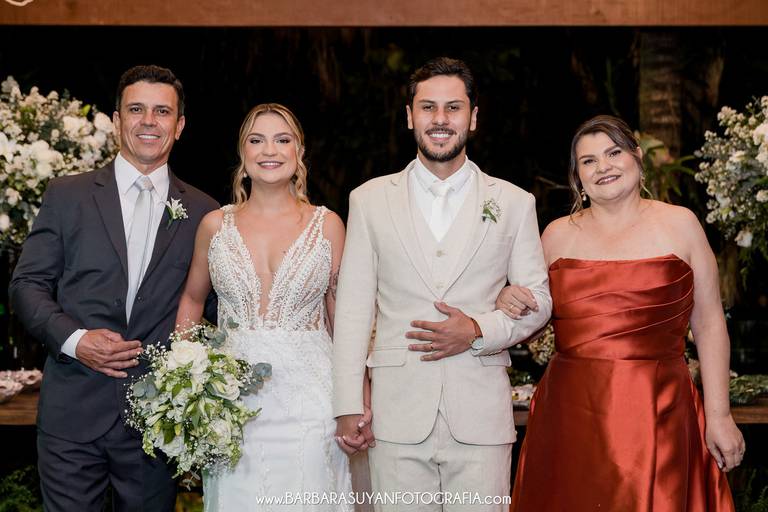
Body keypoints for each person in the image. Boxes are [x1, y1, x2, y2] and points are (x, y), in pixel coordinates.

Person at [332, 57, 552, 511]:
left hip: (480, 414)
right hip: (396, 413)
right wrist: (348, 403)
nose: (440, 119)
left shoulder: (514, 202)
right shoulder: (369, 200)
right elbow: (353, 309)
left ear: (473, 117)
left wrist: (477, 328)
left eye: (453, 108)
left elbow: (540, 301)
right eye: (428, 107)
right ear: (409, 116)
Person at [500, 115, 744, 511]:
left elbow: (710, 324)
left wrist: (719, 416)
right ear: (578, 177)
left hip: (660, 407)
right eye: (589, 161)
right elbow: (529, 322)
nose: (603, 167)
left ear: (637, 157)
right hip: (570, 411)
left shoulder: (682, 224)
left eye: (613, 153)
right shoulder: (555, 234)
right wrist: (508, 299)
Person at [9, 65, 218, 511]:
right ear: (117, 120)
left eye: (162, 111)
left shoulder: (205, 212)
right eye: (137, 109)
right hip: (72, 413)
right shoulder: (66, 195)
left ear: (180, 125)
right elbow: (27, 285)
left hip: (156, 422)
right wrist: (76, 340)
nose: (149, 121)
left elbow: (217, 306)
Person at [175, 103, 355, 510]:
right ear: (243, 153)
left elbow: (341, 317)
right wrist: (184, 377)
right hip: (230, 404)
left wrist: (356, 397)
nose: (269, 150)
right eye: (256, 140)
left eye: (282, 139)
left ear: (299, 152)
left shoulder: (328, 225)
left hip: (312, 403)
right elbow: (192, 299)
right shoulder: (214, 226)